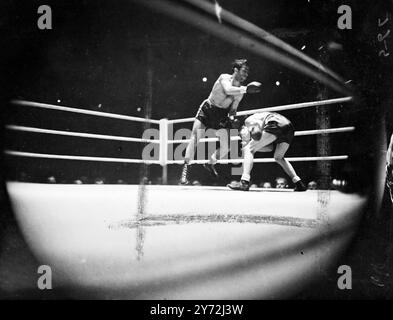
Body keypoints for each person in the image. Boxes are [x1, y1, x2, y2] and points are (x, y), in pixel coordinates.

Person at [179, 59, 261, 185]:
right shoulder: (224, 78)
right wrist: (245, 89)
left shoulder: (240, 93)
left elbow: (233, 109)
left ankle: (209, 163)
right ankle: (185, 172)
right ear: (235, 70)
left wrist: (233, 119)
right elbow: (228, 90)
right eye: (244, 71)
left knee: (226, 147)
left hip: (221, 115)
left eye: (247, 73)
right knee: (195, 138)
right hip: (208, 109)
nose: (246, 75)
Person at [227, 111, 307, 191]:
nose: (233, 124)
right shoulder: (260, 119)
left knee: (249, 149)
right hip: (288, 128)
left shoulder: (248, 120)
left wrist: (248, 142)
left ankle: (244, 182)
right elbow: (270, 148)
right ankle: (298, 183)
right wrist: (249, 144)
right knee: (278, 157)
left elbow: (257, 131)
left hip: (275, 123)